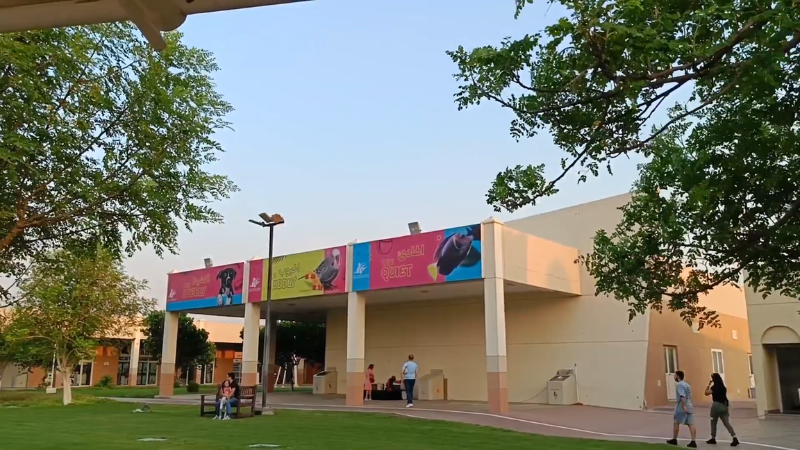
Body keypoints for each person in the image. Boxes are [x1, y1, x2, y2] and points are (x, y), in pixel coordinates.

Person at [704, 373, 739, 446]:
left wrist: (708, 384)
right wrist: (727, 406)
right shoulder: (723, 388)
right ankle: (734, 437)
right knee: (727, 423)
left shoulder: (714, 387)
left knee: (713, 422)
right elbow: (725, 398)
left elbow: (706, 393)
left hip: (716, 406)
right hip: (724, 405)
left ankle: (713, 438)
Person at [667, 370, 697, 448]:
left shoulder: (680, 385)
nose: (674, 376)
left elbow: (682, 396)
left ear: (678, 376)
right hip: (689, 404)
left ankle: (674, 439)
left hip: (682, 405)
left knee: (676, 422)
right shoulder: (687, 385)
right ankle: (693, 441)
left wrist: (683, 407)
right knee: (691, 424)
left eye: (675, 375)